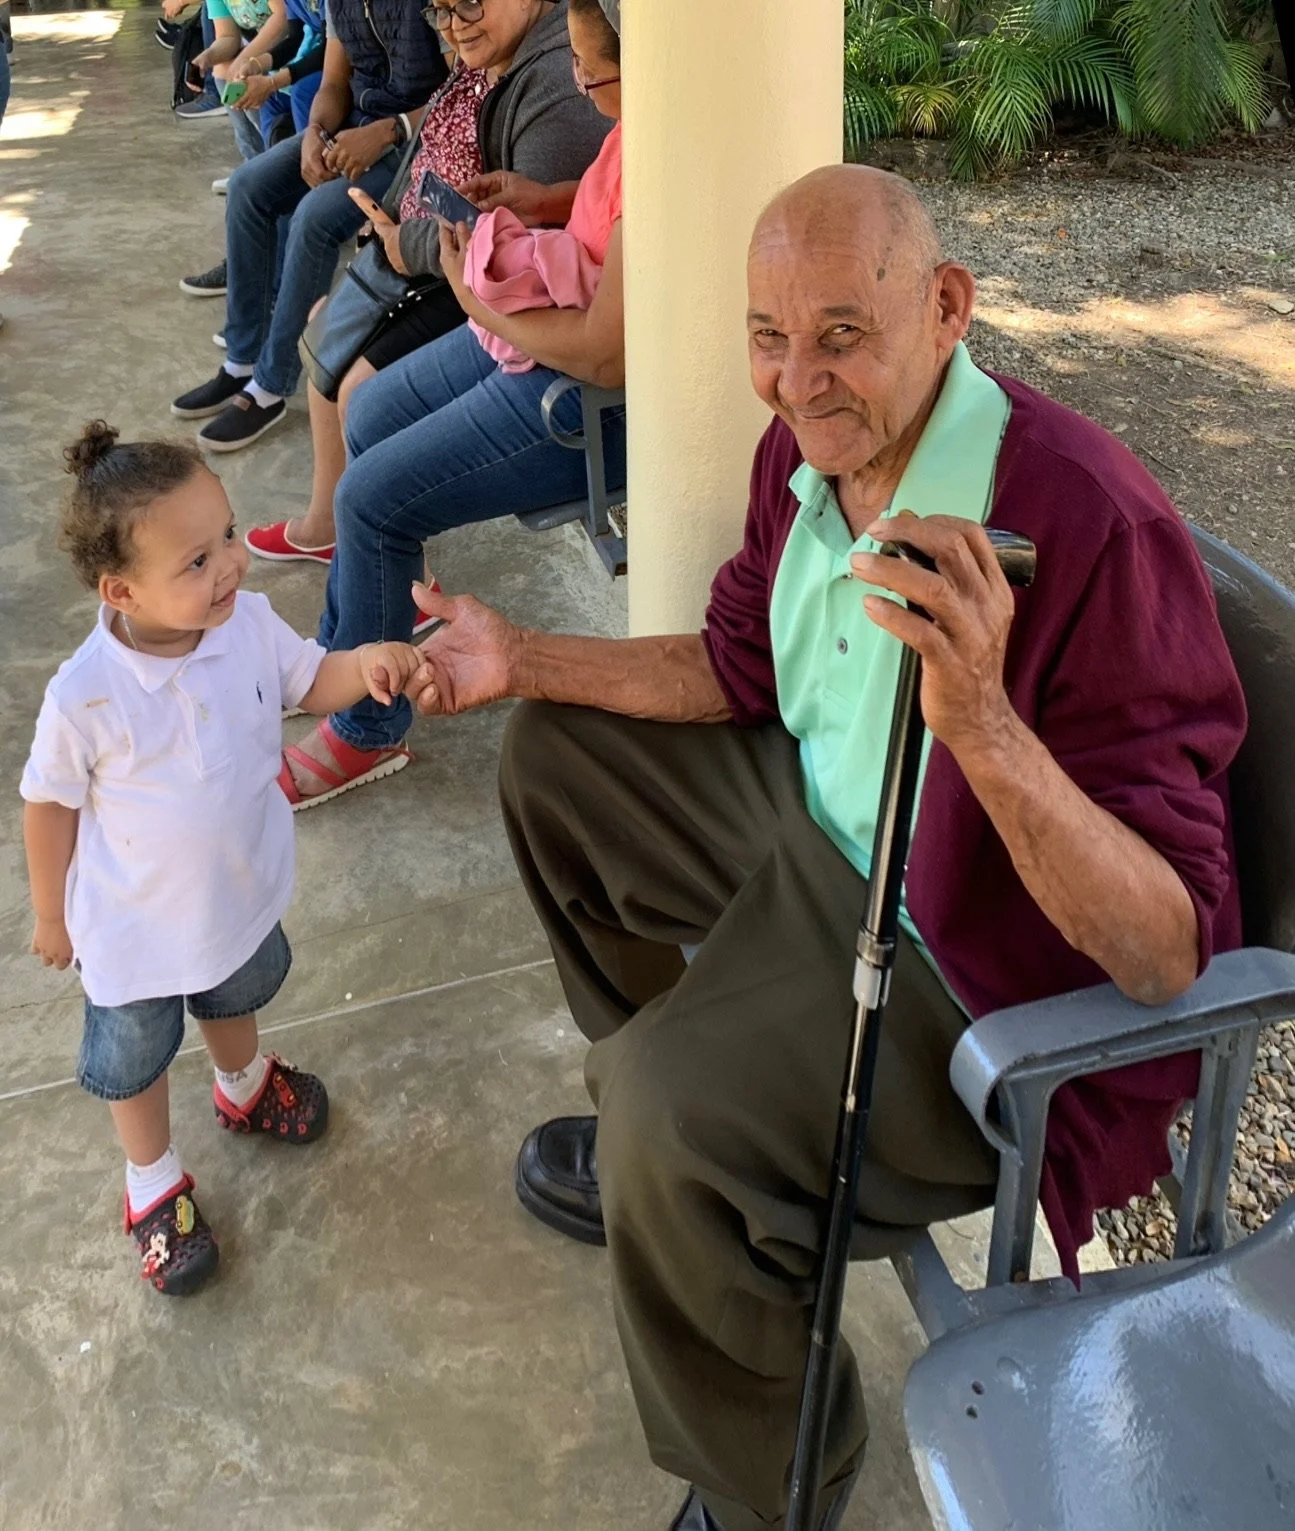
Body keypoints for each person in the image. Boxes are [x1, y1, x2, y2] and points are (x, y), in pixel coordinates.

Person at [399, 164, 1248, 1531]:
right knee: (554, 761)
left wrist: (978, 719)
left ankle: (763, 1478)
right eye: (766, 335)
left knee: (677, 1113)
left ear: (945, 309)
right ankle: (679, 1171)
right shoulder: (808, 449)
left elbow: (1160, 952)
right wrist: (525, 658)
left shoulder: (1082, 523)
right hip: (820, 830)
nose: (796, 380)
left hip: (970, 965)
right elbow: (738, 664)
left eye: (840, 333)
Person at [20, 423, 433, 1297]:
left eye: (229, 535)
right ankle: (153, 1183)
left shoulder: (244, 621)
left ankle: (242, 1084)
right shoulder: (84, 694)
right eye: (196, 562)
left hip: (231, 890)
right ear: (120, 589)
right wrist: (52, 912)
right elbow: (48, 803)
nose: (231, 567)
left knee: (234, 993)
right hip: (131, 934)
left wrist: (367, 665)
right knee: (134, 1058)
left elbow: (305, 682)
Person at [278, 0, 622, 804]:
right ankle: (353, 650)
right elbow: (597, 200)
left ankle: (369, 727)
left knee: (367, 498)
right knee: (366, 413)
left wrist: (480, 302)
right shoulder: (625, 119)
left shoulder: (605, 116)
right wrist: (543, 201)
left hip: (570, 387)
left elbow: (606, 351)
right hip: (529, 328)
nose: (579, 79)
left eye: (592, 66)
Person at [245, 0, 610, 565]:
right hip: (440, 258)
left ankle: (364, 554)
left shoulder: (563, 80)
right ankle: (333, 522)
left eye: (468, 4)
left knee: (357, 397)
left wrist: (404, 244)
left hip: (476, 288)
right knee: (328, 344)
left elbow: (517, 251)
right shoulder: (494, 51)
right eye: (440, 10)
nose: (454, 23)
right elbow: (526, 193)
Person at [170, 0, 448, 452]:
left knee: (315, 217)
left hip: (419, 142)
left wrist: (390, 129)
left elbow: (464, 88)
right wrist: (316, 131)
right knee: (248, 187)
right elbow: (336, 81)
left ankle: (271, 385)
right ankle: (242, 359)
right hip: (357, 125)